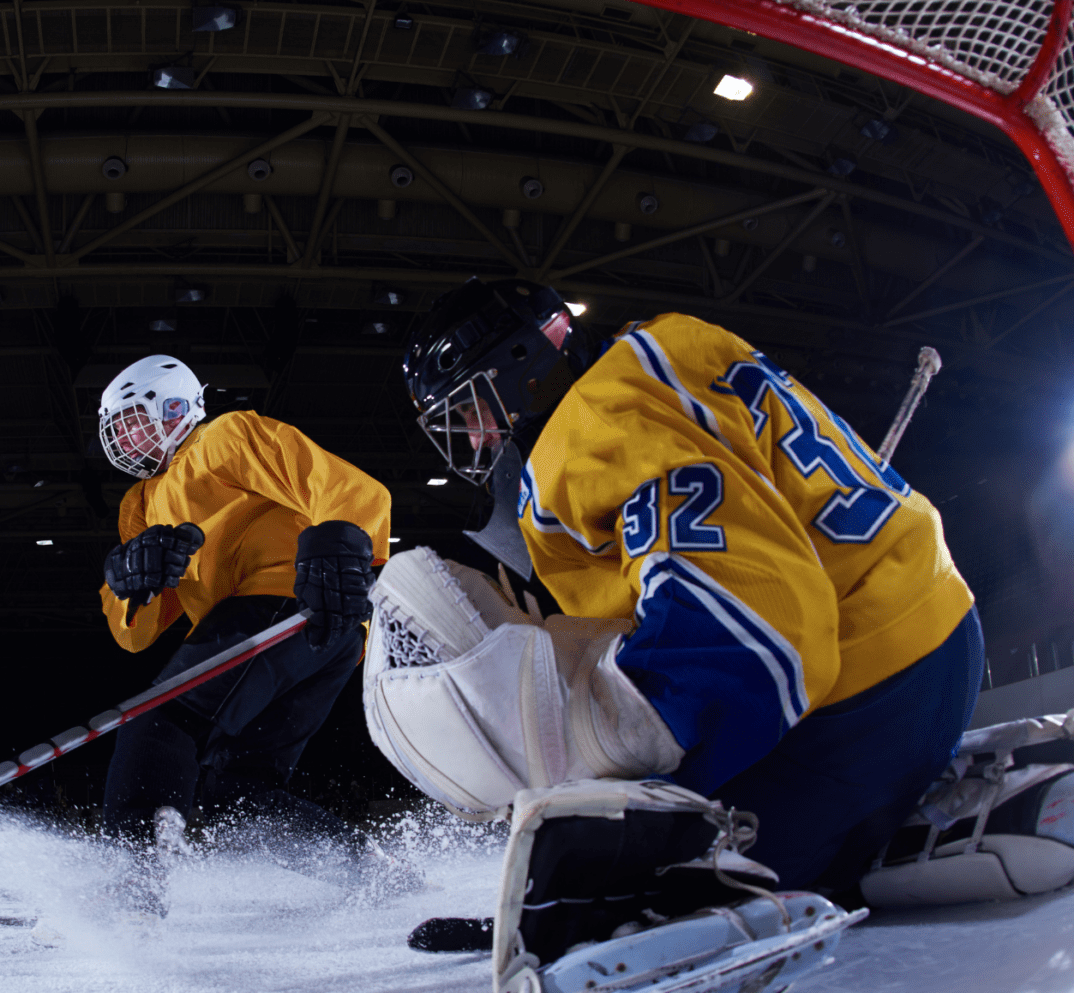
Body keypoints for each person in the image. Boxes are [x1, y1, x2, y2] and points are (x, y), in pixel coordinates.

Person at [368, 277, 1007, 986]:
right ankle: (886, 821)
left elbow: (761, 632)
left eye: (473, 410)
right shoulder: (668, 346)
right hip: (929, 631)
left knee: (665, 890)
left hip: (864, 697)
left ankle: (827, 840)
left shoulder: (590, 431)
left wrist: (616, 739)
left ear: (522, 365)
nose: (479, 438)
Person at [93, 353, 393, 913]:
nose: (127, 436)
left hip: (287, 602)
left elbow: (344, 486)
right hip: (308, 639)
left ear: (175, 405)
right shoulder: (140, 503)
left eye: (135, 418)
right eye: (118, 428)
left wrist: (338, 546)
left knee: (161, 718)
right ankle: (370, 871)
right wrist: (133, 578)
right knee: (237, 793)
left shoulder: (223, 439)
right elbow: (134, 635)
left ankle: (132, 884)